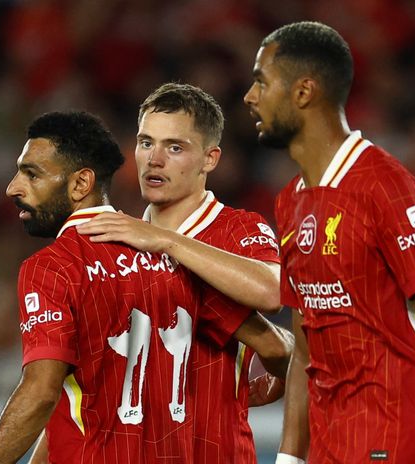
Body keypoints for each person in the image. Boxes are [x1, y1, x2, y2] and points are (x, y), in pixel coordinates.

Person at [243, 22, 415, 464]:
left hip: (400, 441)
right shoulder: (289, 202)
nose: (249, 96)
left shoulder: (384, 187)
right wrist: (290, 456)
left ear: (303, 92)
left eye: (261, 81)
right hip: (331, 446)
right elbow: (307, 342)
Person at [0, 111, 221, 463]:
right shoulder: (170, 257)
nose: (12, 187)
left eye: (32, 174)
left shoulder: (54, 267)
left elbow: (41, 392)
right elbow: (273, 348)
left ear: (81, 184)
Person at [76, 83, 294, 463]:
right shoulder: (113, 243)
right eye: (146, 143)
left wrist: (166, 242)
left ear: (210, 159)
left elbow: (273, 292)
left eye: (174, 148)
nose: (154, 159)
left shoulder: (237, 228)